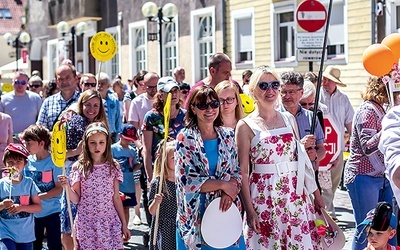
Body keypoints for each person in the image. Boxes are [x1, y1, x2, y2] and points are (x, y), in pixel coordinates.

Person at [235, 65, 324, 249]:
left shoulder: (289, 119)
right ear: (253, 91)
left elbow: (302, 162)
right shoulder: (245, 126)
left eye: (275, 84)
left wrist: (315, 194)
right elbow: (243, 172)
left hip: (295, 195)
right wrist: (249, 210)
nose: (270, 90)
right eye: (263, 85)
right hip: (264, 195)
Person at [175, 85, 245, 250]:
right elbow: (187, 181)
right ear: (193, 108)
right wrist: (223, 185)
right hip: (196, 217)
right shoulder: (185, 138)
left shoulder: (228, 135)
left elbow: (237, 170)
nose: (209, 109)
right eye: (203, 105)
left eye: (214, 104)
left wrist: (230, 190)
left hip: (226, 212)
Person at [58, 122, 130, 249]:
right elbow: (76, 199)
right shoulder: (79, 167)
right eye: (93, 142)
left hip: (109, 222)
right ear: (86, 143)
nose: (97, 146)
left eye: (101, 142)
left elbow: (116, 197)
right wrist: (66, 187)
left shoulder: (113, 166)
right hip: (87, 223)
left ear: (107, 143)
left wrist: (124, 223)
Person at [345, 76, 395, 250]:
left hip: (383, 175)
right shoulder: (368, 110)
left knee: (389, 228)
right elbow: (367, 146)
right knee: (366, 229)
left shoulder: (386, 109)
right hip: (362, 176)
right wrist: (389, 128)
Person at [59, 89, 107, 250]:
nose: (92, 109)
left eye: (96, 105)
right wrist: (75, 152)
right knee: (69, 223)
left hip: (96, 179)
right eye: (88, 105)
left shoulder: (101, 125)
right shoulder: (72, 121)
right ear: (81, 104)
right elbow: (58, 152)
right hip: (75, 175)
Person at [319, 66, 354, 221]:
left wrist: (354, 142)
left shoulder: (343, 99)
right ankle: (327, 214)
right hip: (321, 147)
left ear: (336, 83)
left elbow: (350, 123)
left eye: (329, 80)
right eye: (324, 79)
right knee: (322, 183)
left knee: (334, 181)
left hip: (337, 148)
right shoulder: (317, 96)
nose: (325, 82)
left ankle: (328, 211)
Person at [280, 71, 326, 185]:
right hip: (284, 179)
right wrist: (300, 146)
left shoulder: (311, 117)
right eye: (283, 92)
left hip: (309, 178)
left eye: (291, 92)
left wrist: (315, 156)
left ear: (301, 92)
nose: (287, 96)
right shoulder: (273, 118)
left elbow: (321, 149)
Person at [21, 125, 63, 250]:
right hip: (33, 213)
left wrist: (39, 197)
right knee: (35, 245)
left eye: (29, 143)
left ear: (41, 143)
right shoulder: (27, 161)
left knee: (54, 245)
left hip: (53, 211)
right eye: (25, 143)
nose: (26, 147)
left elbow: (59, 188)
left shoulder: (54, 162)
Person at [142, 76, 186, 182]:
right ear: (161, 95)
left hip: (181, 171)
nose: (174, 94)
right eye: (169, 91)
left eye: (176, 90)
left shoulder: (186, 116)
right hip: (159, 171)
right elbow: (147, 150)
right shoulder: (151, 117)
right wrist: (150, 177)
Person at [0, 143, 42, 249]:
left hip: (25, 236)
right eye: (11, 162)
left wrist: (22, 208)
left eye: (19, 161)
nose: (15, 165)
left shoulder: (29, 183)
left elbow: (38, 207)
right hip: (5, 234)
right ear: (5, 163)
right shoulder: (1, 184)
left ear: (25, 164)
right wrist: (3, 205)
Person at [111, 123, 142, 229]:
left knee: (126, 208)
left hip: (129, 185)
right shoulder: (113, 149)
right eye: (127, 139)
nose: (129, 141)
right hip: (116, 186)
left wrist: (139, 164)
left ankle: (125, 229)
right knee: (115, 209)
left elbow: (133, 166)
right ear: (120, 136)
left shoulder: (132, 151)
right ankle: (116, 232)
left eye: (131, 140)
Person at [148, 140, 177, 250]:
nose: (177, 160)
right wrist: (156, 202)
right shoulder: (158, 183)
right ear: (165, 160)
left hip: (178, 225)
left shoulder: (182, 182)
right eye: (173, 158)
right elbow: (152, 211)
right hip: (164, 228)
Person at [37, 64, 80, 131]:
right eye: (60, 79)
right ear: (56, 81)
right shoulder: (48, 102)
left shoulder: (84, 100)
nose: (64, 81)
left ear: (76, 78)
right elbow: (40, 129)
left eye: (67, 78)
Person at [97, 72, 121, 143]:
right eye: (98, 83)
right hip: (97, 134)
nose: (99, 86)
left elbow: (118, 118)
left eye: (102, 83)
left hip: (111, 135)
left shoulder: (114, 99)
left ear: (108, 85)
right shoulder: (93, 100)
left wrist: (118, 136)